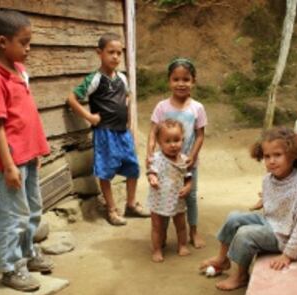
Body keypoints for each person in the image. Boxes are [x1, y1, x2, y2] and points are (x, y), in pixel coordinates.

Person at [0, 10, 53, 292]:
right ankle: (11, 268)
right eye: (24, 43)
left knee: (32, 208)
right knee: (13, 215)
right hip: (10, 160)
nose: (28, 48)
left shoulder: (21, 72)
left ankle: (27, 254)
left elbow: (25, 117)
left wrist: (35, 150)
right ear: (2, 42)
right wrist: (9, 165)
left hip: (28, 156)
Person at [200, 127, 297, 291]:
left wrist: (287, 255)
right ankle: (222, 259)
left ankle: (240, 276)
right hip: (270, 221)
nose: (272, 161)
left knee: (245, 233)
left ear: (292, 155)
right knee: (234, 217)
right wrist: (263, 200)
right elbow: (276, 196)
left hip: (284, 235)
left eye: (277, 155)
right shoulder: (268, 179)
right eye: (267, 156)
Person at [67, 32, 148, 226]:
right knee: (105, 171)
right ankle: (111, 209)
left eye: (119, 53)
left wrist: (129, 121)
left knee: (133, 168)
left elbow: (127, 98)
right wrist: (89, 117)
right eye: (111, 52)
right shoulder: (95, 79)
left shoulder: (122, 77)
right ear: (99, 53)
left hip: (123, 132)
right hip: (105, 133)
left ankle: (130, 204)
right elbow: (71, 98)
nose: (115, 57)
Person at [147, 58, 207, 248]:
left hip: (187, 163)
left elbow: (200, 135)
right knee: (163, 194)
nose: (181, 84)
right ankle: (161, 234)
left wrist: (193, 156)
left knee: (190, 196)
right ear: (169, 81)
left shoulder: (197, 108)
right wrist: (149, 154)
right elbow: (152, 132)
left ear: (193, 81)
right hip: (164, 164)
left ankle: (193, 232)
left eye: (186, 79)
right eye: (176, 79)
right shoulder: (162, 107)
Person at [147, 119, 192, 262]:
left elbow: (188, 177)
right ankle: (157, 249)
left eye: (177, 140)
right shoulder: (157, 158)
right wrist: (152, 178)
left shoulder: (183, 159)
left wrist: (188, 187)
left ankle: (182, 245)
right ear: (159, 143)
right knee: (157, 227)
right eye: (167, 141)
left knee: (181, 225)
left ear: (182, 140)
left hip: (177, 199)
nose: (173, 145)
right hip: (159, 200)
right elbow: (151, 172)